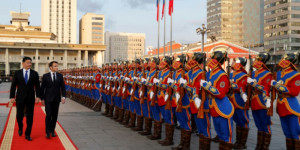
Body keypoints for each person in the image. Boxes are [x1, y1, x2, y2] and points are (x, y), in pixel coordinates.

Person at [271, 52, 300, 149]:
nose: (283, 61)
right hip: (281, 106)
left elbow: (295, 92)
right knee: (287, 132)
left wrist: (279, 86)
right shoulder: (278, 74)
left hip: (291, 106)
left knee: (294, 132)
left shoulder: (296, 74)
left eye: (286, 59)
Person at [10, 56, 41, 141]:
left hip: (31, 98)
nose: (29, 64)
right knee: (19, 116)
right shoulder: (17, 73)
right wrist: (12, 97)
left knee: (30, 117)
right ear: (23, 63)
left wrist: (38, 96)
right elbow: (13, 86)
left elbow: (38, 86)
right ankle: (20, 127)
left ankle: (28, 134)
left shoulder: (35, 73)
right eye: (27, 62)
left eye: (30, 63)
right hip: (20, 97)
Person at [40, 61, 66, 139]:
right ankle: (47, 132)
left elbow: (63, 87)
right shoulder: (45, 76)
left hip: (56, 99)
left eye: (57, 66)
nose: (57, 68)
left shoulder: (60, 76)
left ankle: (52, 130)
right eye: (55, 66)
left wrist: (63, 97)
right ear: (50, 67)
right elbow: (42, 88)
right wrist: (42, 98)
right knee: (48, 115)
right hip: (48, 99)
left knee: (54, 116)